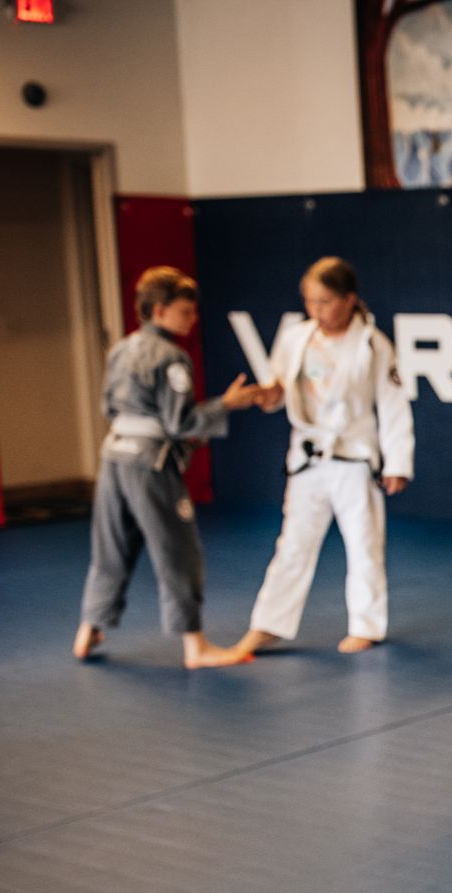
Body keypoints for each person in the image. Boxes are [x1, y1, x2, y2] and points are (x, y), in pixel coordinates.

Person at [74, 266, 265, 668]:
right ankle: (195, 647)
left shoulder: (121, 349)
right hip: (149, 463)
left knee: (111, 546)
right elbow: (181, 422)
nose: (192, 321)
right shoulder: (173, 359)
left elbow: (107, 406)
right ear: (158, 311)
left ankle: (90, 625)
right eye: (184, 313)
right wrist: (226, 404)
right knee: (177, 549)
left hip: (113, 456)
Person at [236, 257, 414, 655]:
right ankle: (269, 623)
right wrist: (264, 396)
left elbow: (393, 405)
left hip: (353, 456)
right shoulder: (296, 338)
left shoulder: (373, 345)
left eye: (325, 301)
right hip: (307, 457)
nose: (316, 310)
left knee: (364, 542)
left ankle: (366, 625)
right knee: (293, 543)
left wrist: (397, 463)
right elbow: (279, 388)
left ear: (350, 299)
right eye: (310, 301)